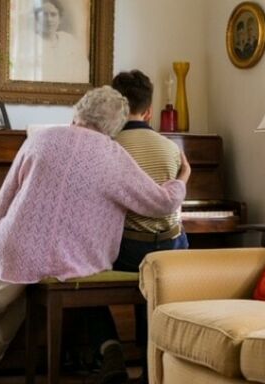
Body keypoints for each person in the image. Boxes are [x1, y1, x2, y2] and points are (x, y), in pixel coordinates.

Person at [0, 86, 191, 384]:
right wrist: (182, 178)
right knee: (20, 296)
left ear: (78, 110)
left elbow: (6, 196)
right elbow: (160, 203)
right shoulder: (113, 155)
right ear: (115, 126)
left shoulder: (38, 139)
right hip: (77, 259)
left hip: (19, 245)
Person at [112, 70, 189, 382]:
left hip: (131, 251)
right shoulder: (172, 148)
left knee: (78, 264)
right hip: (172, 246)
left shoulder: (110, 145)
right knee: (166, 258)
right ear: (148, 110)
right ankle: (153, 368)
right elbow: (175, 199)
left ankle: (107, 353)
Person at [10, 0, 89, 83]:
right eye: (44, 14)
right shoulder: (28, 41)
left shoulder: (68, 40)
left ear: (60, 19)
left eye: (53, 14)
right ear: (37, 19)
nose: (49, 19)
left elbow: (82, 68)